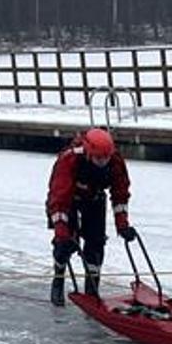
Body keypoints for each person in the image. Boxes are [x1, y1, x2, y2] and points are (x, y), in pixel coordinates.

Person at [45, 127, 134, 306]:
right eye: (99, 159)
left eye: (106, 158)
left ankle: (92, 288)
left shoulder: (115, 160)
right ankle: (59, 276)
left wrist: (122, 224)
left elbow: (120, 193)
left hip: (94, 198)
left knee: (96, 243)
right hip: (68, 199)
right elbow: (59, 198)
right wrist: (61, 233)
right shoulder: (69, 159)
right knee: (64, 244)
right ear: (88, 154)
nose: (103, 162)